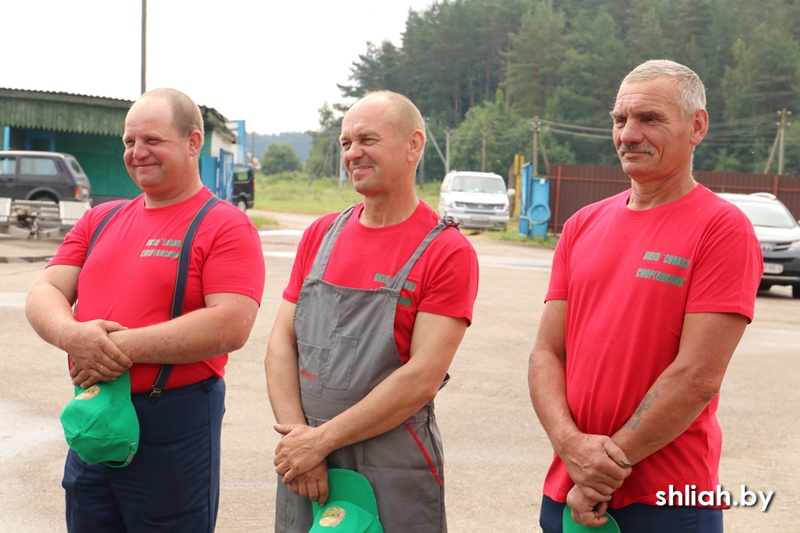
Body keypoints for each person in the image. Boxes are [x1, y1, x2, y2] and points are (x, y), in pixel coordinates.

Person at [528, 59, 763, 532]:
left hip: (667, 501)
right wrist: (570, 446)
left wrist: (601, 469)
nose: (628, 134)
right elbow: (547, 353)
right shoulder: (582, 225)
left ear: (697, 126)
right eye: (620, 119)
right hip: (567, 487)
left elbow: (697, 376)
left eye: (649, 118)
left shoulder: (722, 229)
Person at [25, 87, 266, 532]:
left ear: (193, 142)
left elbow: (230, 324)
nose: (137, 152)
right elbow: (45, 291)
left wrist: (110, 349)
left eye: (152, 140)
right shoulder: (100, 219)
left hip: (172, 422)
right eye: (129, 141)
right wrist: (73, 336)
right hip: (93, 410)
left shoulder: (224, 225)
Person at [265, 90, 479, 532]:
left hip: (391, 461)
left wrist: (320, 441)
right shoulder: (320, 235)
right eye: (346, 143)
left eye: (367, 139)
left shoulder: (446, 252)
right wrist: (298, 439)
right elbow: (281, 344)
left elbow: (422, 377)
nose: (352, 153)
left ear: (413, 145)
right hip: (305, 461)